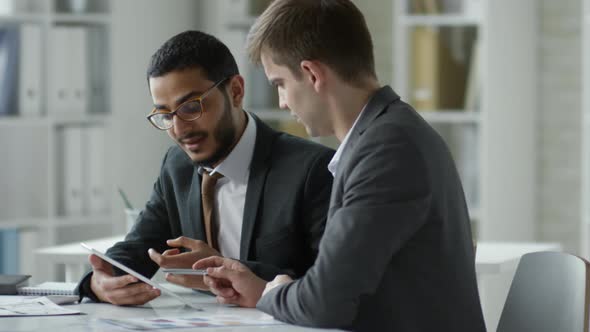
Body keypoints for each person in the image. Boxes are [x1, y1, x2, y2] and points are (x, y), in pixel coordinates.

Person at [194, 1, 487, 331]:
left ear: (312, 75)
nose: (282, 102)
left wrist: (270, 295)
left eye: (280, 84)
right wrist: (265, 289)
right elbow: (334, 283)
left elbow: (324, 303)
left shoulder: (387, 150)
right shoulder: (387, 134)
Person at [75, 30, 334, 306]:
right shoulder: (177, 166)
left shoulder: (312, 170)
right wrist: (98, 281)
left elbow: (329, 283)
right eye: (165, 114)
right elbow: (141, 246)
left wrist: (224, 268)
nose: (178, 129)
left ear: (235, 91)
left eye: (190, 107)